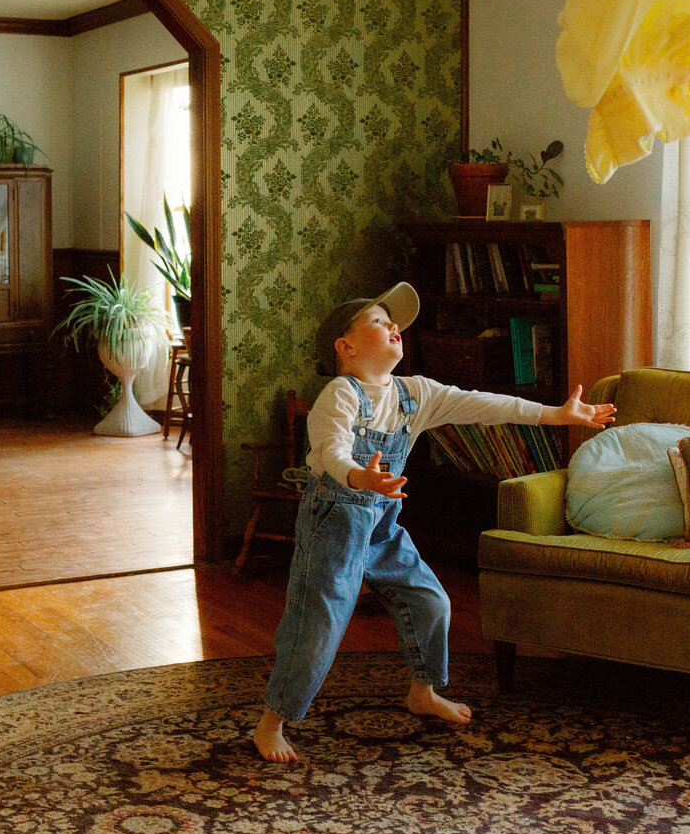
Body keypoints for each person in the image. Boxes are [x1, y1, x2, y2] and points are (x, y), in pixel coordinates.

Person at [253, 282, 617, 762]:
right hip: (333, 525)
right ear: (345, 346)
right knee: (318, 624)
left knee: (431, 601)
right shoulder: (338, 396)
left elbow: (485, 405)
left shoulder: (415, 394)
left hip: (380, 525)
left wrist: (555, 415)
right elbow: (330, 449)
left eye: (395, 321)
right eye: (380, 321)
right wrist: (360, 476)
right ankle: (271, 724)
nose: (394, 327)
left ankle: (421, 693)